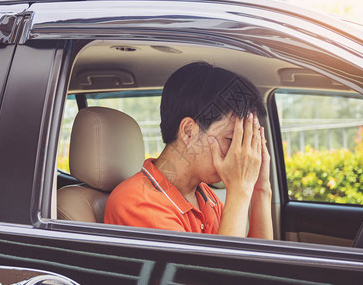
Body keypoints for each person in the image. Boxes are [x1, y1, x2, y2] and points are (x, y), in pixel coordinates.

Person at [104, 62, 273, 239]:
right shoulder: (139, 202)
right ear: (188, 132)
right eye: (231, 139)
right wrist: (239, 190)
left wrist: (261, 188)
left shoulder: (204, 195)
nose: (241, 152)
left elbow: (258, 263)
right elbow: (222, 267)